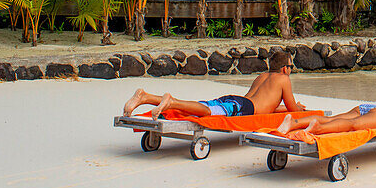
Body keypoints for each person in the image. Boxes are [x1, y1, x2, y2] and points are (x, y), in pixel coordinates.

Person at [122, 50, 305, 119]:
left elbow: (266, 106)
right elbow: (292, 109)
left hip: (237, 102)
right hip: (242, 107)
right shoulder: (283, 79)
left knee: (203, 107)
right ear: (284, 68)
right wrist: (298, 108)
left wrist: (285, 108)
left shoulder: (263, 77)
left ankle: (145, 97)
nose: (291, 69)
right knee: (207, 112)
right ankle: (170, 102)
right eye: (290, 66)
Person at [277, 62, 376, 137]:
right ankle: (317, 129)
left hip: (372, 109)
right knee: (353, 125)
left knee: (332, 118)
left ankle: (293, 123)